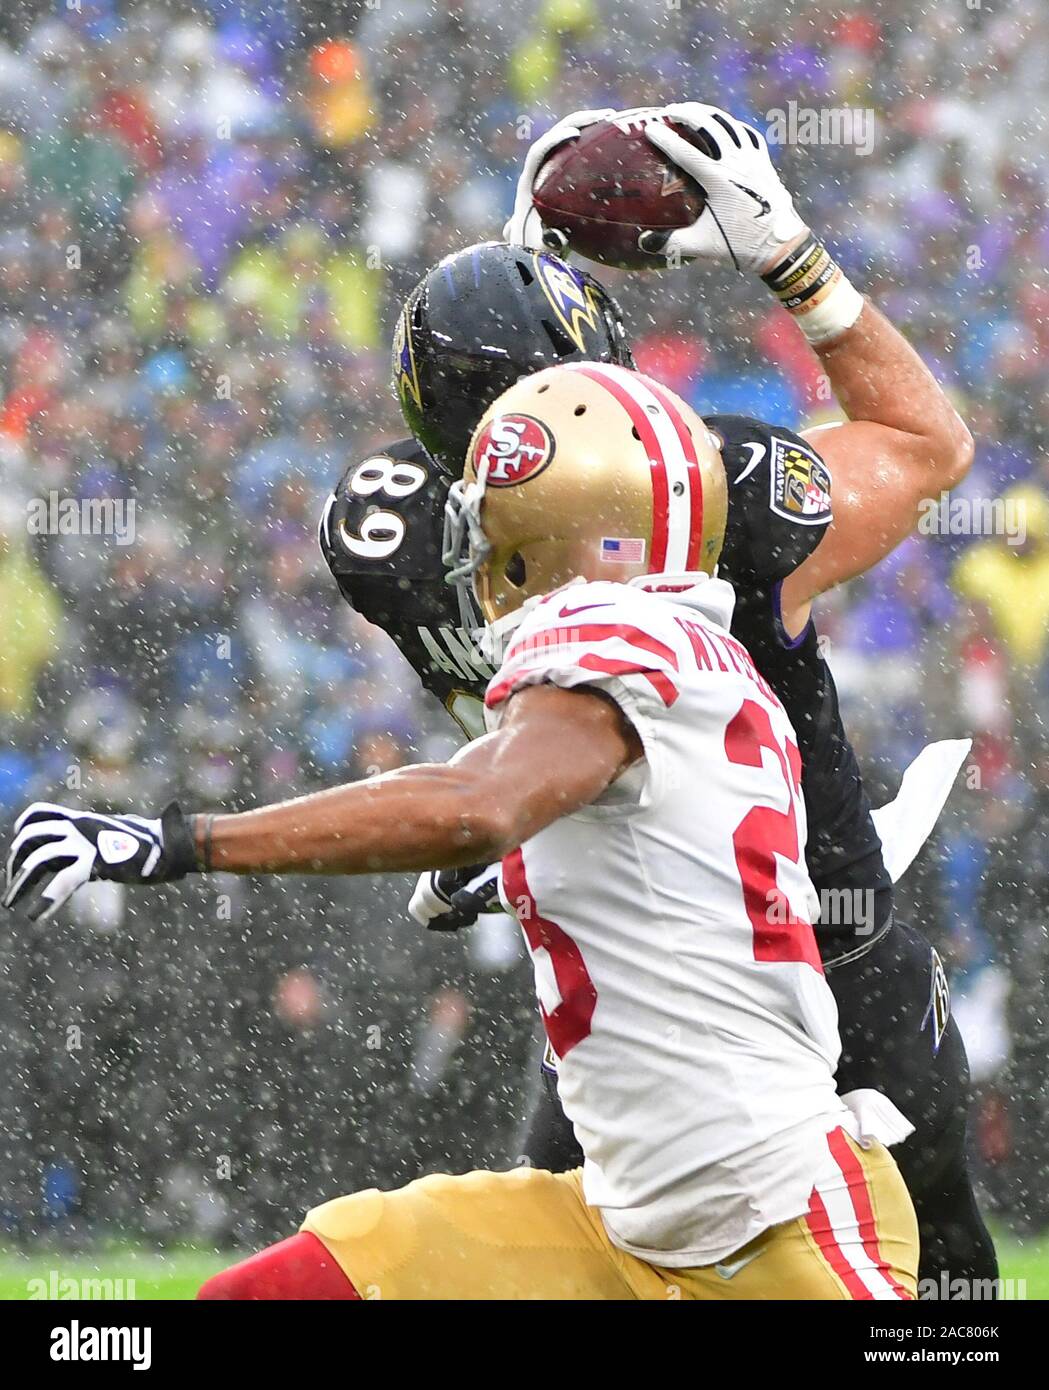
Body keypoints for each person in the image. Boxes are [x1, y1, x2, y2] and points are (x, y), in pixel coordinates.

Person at [5, 362, 918, 1300]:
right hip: (618, 1220)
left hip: (779, 1223)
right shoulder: (691, 649)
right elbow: (622, 835)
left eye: (488, 522)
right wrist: (517, 865)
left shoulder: (615, 638)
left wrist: (182, 841)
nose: (472, 551)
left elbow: (477, 801)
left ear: (545, 530)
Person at [322, 102, 996, 1290]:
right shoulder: (716, 492)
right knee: (931, 1302)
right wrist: (794, 261)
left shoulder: (399, 534)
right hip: (818, 960)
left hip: (633, 1002)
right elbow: (927, 446)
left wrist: (508, 279)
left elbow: (518, 635)